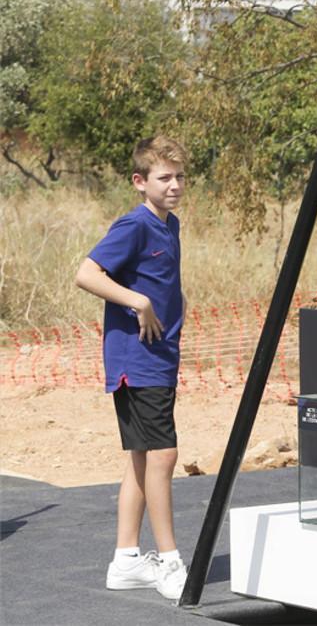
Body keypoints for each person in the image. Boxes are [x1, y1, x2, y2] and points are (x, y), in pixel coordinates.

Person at [74, 136, 191, 602]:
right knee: (164, 456)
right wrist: (136, 299)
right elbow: (86, 273)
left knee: (143, 457)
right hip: (136, 361)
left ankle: (125, 560)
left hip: (161, 357)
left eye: (180, 177)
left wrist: (173, 299)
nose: (175, 185)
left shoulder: (171, 225)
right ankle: (170, 561)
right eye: (164, 178)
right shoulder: (134, 224)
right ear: (140, 182)